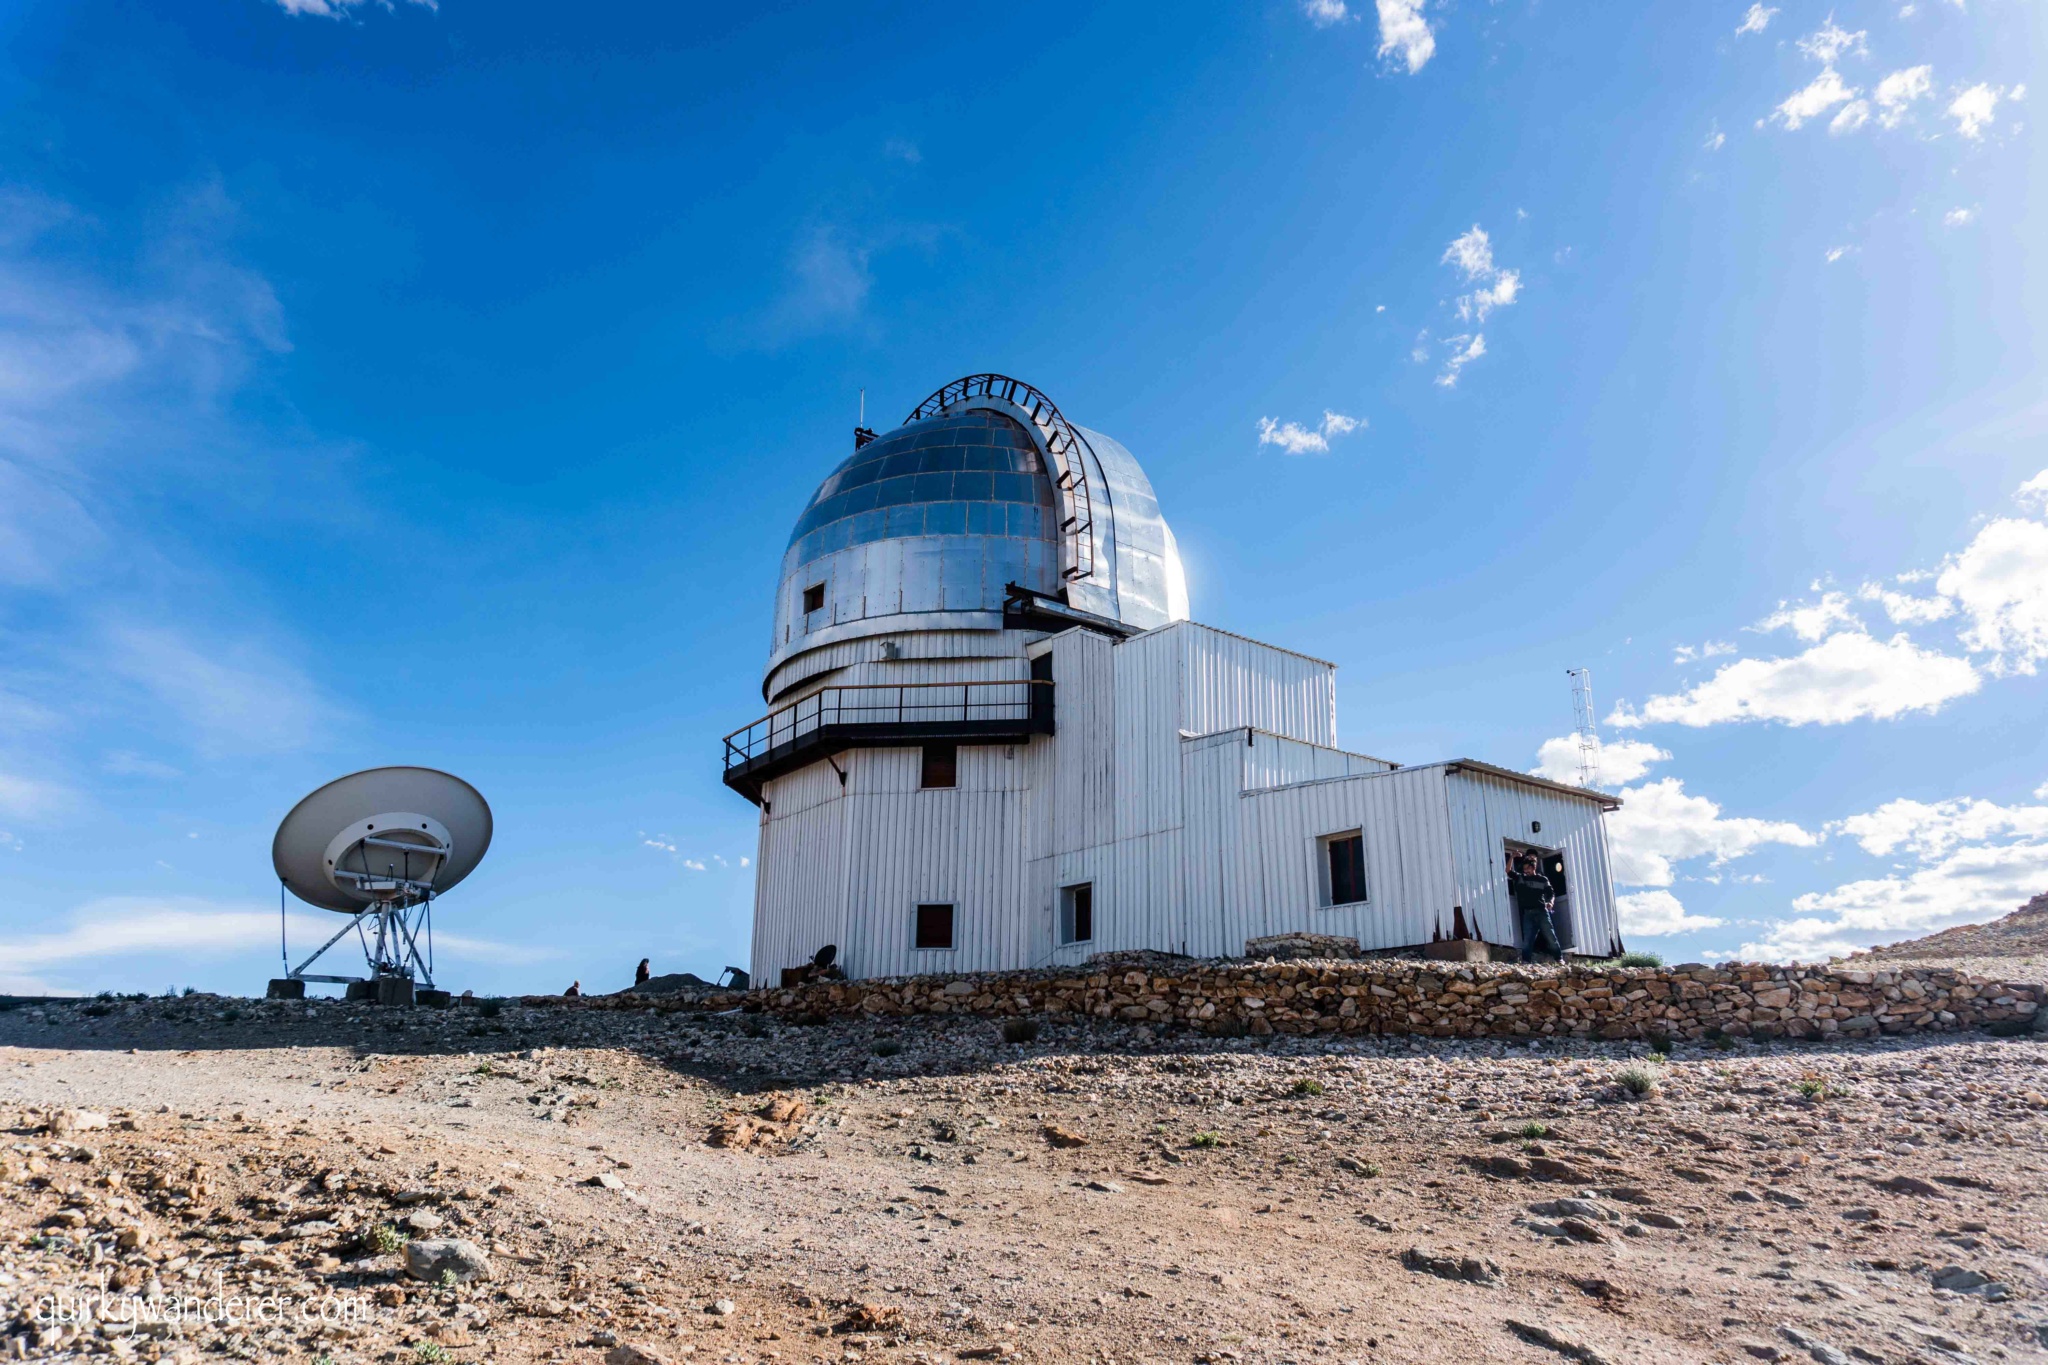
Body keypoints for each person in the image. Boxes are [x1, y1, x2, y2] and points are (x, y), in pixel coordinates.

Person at [1511, 854, 1562, 961]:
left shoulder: (1542, 880)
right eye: (1524, 869)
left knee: (1550, 936)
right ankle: (1526, 961)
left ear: (1533, 868)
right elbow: (1508, 870)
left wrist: (1550, 903)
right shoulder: (1521, 878)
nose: (1525, 871)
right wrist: (1512, 857)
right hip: (1528, 913)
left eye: (1528, 868)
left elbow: (1551, 893)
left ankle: (1559, 959)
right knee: (1527, 939)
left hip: (1542, 912)